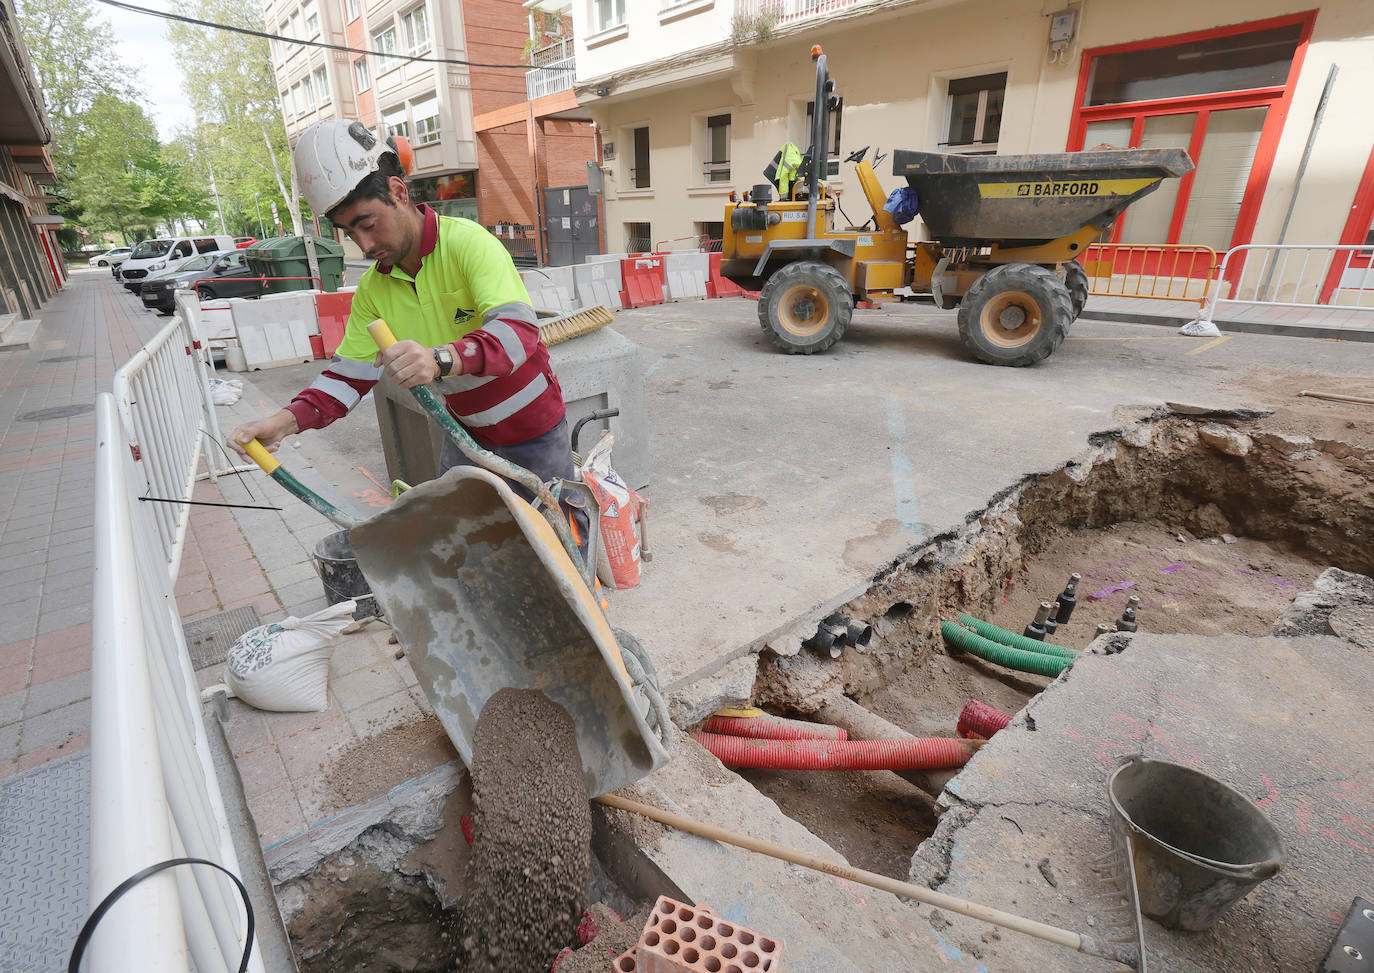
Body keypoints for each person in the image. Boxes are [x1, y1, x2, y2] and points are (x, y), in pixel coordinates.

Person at [229, 120, 583, 529]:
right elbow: (347, 379)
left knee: (556, 538)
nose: (363, 245)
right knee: (469, 538)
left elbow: (519, 334)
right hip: (465, 434)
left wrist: (440, 359)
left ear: (398, 192)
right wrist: (283, 422)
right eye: (348, 232)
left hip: (534, 431)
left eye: (368, 223)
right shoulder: (374, 290)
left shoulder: (467, 243)